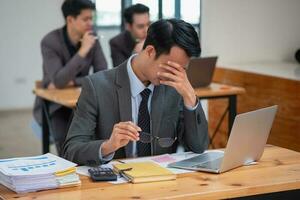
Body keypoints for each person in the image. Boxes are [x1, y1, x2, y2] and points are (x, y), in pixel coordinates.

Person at [63, 19, 209, 166]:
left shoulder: (175, 86)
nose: (174, 74)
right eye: (170, 67)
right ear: (150, 51)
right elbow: (71, 150)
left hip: (162, 182)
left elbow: (198, 147)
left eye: (181, 69)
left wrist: (190, 96)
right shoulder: (97, 86)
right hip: (114, 184)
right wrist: (108, 146)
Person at [33, 0, 107, 155]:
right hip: (56, 105)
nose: (90, 23)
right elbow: (59, 81)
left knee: (97, 135)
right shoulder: (50, 41)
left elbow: (102, 73)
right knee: (66, 144)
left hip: (83, 100)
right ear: (70, 20)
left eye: (91, 18)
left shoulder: (92, 38)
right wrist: (83, 51)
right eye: (85, 19)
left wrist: (73, 82)